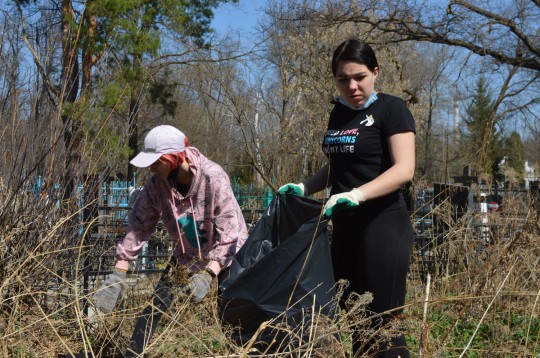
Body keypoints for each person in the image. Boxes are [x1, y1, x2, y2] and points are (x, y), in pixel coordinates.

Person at [279, 39, 415, 357]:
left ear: (375, 73)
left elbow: (404, 169)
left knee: (384, 328)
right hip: (344, 229)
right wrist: (303, 187)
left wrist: (358, 193)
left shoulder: (392, 109)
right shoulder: (339, 113)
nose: (352, 86)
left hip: (383, 227)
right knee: (356, 323)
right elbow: (337, 166)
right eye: (343, 79)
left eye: (360, 77)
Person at [93, 124, 248, 356]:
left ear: (173, 158)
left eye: (156, 162)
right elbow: (139, 225)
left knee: (231, 315)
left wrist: (207, 275)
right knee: (155, 307)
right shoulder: (156, 185)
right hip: (186, 256)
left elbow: (230, 234)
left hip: (227, 258)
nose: (152, 169)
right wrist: (119, 272)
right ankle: (132, 355)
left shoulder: (213, 177)